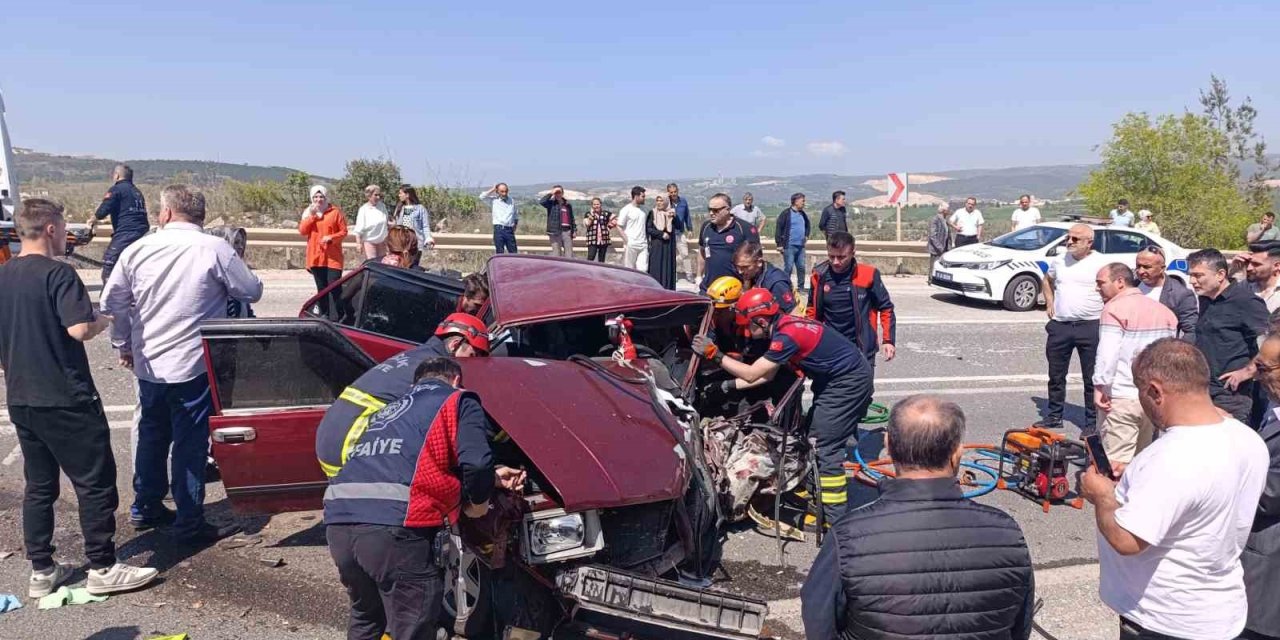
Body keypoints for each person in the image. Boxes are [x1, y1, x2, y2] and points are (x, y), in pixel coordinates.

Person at [0, 199, 159, 598]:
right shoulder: (60, 275)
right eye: (62, 223)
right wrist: (107, 317)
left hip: (22, 396)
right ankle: (103, 565)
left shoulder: (4, 276)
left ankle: (42, 569)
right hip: (66, 397)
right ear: (50, 228)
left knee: (39, 485)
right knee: (95, 482)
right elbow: (79, 330)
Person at [102, 185, 264, 543]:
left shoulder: (138, 249)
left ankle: (146, 506)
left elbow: (112, 302)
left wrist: (123, 344)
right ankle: (189, 520)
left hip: (149, 364)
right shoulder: (215, 249)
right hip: (194, 364)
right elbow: (251, 291)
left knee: (151, 435)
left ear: (166, 213)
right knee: (189, 443)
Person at [801, 395, 1035, 640]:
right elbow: (1019, 625)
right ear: (957, 454)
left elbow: (819, 620)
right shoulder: (1007, 532)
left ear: (889, 446)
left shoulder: (849, 535)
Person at [1080, 338, 1268, 640]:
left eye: (1140, 391)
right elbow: (1200, 494)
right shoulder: (1248, 439)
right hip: (1220, 610)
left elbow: (1127, 541)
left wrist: (1101, 495)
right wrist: (1137, 483)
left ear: (1155, 391)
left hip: (1165, 619)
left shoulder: (1170, 458)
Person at [324, 356, 525, 640]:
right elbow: (476, 463)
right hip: (394, 530)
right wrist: (477, 506)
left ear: (415, 383)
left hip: (340, 525)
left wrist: (493, 477)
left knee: (367, 618)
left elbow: (403, 463)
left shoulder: (388, 411)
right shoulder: (458, 400)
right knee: (413, 624)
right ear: (456, 380)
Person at [692, 288, 872, 521]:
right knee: (810, 437)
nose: (747, 330)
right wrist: (725, 387)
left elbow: (751, 373)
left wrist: (714, 354)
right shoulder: (784, 327)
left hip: (848, 384)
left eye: (749, 325)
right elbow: (764, 376)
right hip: (835, 380)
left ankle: (834, 520)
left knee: (824, 445)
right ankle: (814, 495)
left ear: (761, 320)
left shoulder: (787, 336)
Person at [316, 314, 490, 478]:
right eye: (472, 355)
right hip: (349, 443)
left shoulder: (419, 355)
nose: (473, 363)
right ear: (455, 344)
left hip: (331, 437)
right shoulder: (437, 371)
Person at [1093, 263, 1177, 464]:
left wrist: (1100, 386)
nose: (1097, 288)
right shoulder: (1165, 312)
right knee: (1141, 461)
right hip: (1152, 397)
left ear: (1120, 282)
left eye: (1101, 283)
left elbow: (1108, 353)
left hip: (1122, 396)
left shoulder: (1113, 310)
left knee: (1115, 463)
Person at [1187, 248, 1269, 423]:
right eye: (1191, 275)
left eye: (1198, 275)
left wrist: (1248, 372)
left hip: (1231, 395)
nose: (1192, 281)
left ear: (1220, 275)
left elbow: (1272, 342)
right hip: (1203, 390)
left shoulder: (1245, 301)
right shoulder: (1205, 299)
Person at [1038, 223, 1107, 431]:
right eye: (1068, 238)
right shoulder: (1059, 260)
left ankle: (1091, 423)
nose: (1069, 242)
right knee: (1056, 375)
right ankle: (1054, 416)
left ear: (1089, 242)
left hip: (1090, 326)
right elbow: (1047, 280)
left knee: (1091, 378)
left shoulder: (1102, 263)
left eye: (1075, 239)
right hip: (1061, 326)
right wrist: (1049, 302)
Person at [807, 232, 896, 372]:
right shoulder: (818, 276)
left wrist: (888, 340)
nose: (835, 262)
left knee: (861, 392)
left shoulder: (868, 275)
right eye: (831, 256)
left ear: (853, 253)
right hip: (830, 347)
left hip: (861, 347)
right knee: (828, 392)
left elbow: (886, 308)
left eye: (842, 257)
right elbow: (812, 310)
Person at [1244, 333, 1280, 640]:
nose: (1256, 375)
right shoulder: (1270, 409)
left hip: (1270, 569)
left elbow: (1270, 495)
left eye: (1264, 369)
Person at [91, 164, 149, 282]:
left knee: (110, 264)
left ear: (117, 175)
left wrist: (94, 218)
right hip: (142, 233)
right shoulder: (137, 192)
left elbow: (103, 210)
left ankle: (109, 297)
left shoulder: (116, 190)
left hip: (126, 233)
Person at [298, 185, 347, 317]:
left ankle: (342, 315)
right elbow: (303, 231)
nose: (318, 199)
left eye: (321, 197)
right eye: (316, 197)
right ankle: (324, 315)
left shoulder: (335, 212)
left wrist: (331, 237)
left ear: (326, 197)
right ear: (312, 198)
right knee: (322, 289)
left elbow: (343, 232)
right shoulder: (308, 213)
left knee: (335, 287)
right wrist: (313, 216)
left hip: (333, 257)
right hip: (316, 257)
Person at [698, 193, 759, 293]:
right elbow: (702, 251)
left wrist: (746, 288)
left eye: (716, 210)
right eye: (709, 209)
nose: (711, 213)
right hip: (709, 288)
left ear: (727, 209)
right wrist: (698, 276)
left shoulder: (744, 229)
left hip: (734, 289)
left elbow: (753, 260)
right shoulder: (706, 227)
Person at [1135, 245, 1197, 342]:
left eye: (1147, 267)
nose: (1141, 271)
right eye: (1138, 266)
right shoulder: (1131, 286)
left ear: (1162, 269)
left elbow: (1191, 331)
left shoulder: (1181, 294)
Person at [206, 226, 256, 318]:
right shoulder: (211, 275)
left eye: (242, 243)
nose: (241, 247)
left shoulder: (240, 275)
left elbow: (248, 314)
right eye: (236, 242)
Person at [734, 241, 796, 313]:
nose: (740, 271)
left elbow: (794, 313)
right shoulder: (752, 274)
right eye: (737, 267)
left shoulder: (776, 283)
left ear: (759, 262)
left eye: (745, 267)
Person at [775, 193, 811, 294]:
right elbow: (779, 228)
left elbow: (808, 226)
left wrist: (806, 236)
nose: (804, 203)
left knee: (801, 267)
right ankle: (785, 288)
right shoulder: (786, 213)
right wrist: (779, 244)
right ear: (795, 201)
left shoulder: (803, 214)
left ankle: (801, 288)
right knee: (789, 267)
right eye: (802, 201)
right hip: (789, 246)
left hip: (801, 247)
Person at [646, 194, 683, 290]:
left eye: (661, 201)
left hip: (668, 247)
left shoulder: (670, 213)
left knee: (668, 268)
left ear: (666, 202)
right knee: (656, 267)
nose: (659, 203)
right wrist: (660, 234)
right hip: (657, 245)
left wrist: (674, 217)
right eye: (657, 200)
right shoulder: (652, 213)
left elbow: (679, 226)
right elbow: (648, 229)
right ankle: (655, 290)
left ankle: (667, 290)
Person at [1235, 241, 1280, 314]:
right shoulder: (1244, 286)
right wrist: (1233, 270)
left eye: (1256, 264)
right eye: (1248, 262)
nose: (1249, 268)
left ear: (1276, 266)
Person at [394, 185, 434, 265]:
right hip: (403, 244)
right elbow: (399, 226)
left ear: (407, 195)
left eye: (401, 193)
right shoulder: (401, 208)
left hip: (416, 243)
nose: (399, 195)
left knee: (413, 265)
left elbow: (425, 226)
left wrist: (428, 238)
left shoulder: (420, 209)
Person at [353, 184, 389, 260]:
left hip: (382, 241)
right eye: (375, 195)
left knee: (382, 264)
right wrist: (358, 243)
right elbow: (359, 228)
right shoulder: (363, 209)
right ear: (369, 196)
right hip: (369, 241)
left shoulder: (382, 206)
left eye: (379, 195)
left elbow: (386, 222)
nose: (378, 197)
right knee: (372, 264)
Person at [616, 186, 649, 270]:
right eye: (643, 196)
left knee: (643, 269)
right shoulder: (626, 210)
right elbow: (619, 226)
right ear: (636, 196)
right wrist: (627, 241)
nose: (644, 198)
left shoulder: (644, 210)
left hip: (643, 244)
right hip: (631, 244)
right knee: (629, 269)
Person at [481, 183, 519, 254]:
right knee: (500, 252)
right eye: (502, 191)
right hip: (499, 229)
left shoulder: (511, 201)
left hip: (509, 230)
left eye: (506, 191)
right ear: (497, 191)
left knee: (513, 252)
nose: (504, 193)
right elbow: (482, 197)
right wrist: (492, 189)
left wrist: (515, 224)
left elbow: (515, 214)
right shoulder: (494, 200)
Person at [539, 185, 575, 258]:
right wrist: (551, 193)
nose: (558, 194)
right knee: (556, 255)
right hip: (554, 231)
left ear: (562, 193)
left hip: (567, 231)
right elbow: (542, 202)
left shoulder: (567, 205)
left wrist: (574, 230)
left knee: (569, 255)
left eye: (559, 192)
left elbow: (572, 218)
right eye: (556, 192)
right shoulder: (551, 204)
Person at [667, 183, 692, 279]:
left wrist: (690, 229)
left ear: (678, 191)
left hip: (680, 232)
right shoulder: (667, 203)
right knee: (671, 255)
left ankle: (689, 275)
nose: (673, 194)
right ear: (668, 193)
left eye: (675, 192)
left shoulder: (683, 201)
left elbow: (687, 216)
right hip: (670, 233)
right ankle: (674, 275)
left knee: (685, 254)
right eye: (671, 192)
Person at [582, 197, 615, 263]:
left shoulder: (605, 213)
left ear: (600, 204)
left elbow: (615, 218)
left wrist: (609, 226)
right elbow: (587, 224)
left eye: (598, 204)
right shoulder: (588, 214)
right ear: (592, 205)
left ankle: (600, 272)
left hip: (604, 240)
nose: (596, 206)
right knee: (591, 257)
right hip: (592, 240)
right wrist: (592, 215)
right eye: (594, 204)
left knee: (601, 260)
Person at [927, 203, 952, 275]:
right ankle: (931, 279)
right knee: (934, 265)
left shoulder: (944, 220)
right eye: (948, 209)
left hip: (945, 248)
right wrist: (940, 247)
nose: (949, 211)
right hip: (936, 249)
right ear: (944, 210)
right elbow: (932, 236)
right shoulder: (935, 219)